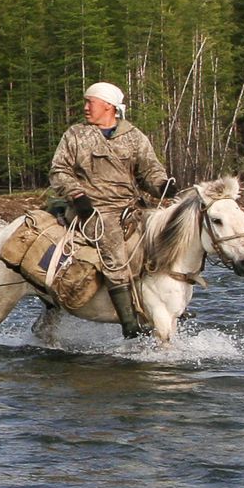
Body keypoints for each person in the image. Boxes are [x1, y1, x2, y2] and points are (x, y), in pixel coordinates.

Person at [49, 81, 177, 338]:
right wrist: (77, 195)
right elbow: (58, 170)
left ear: (108, 106)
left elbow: (150, 169)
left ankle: (166, 304)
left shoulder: (133, 136)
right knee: (115, 252)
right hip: (93, 208)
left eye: (90, 102)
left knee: (163, 238)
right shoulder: (75, 135)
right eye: (86, 102)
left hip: (131, 206)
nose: (85, 107)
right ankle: (129, 324)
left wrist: (162, 185)